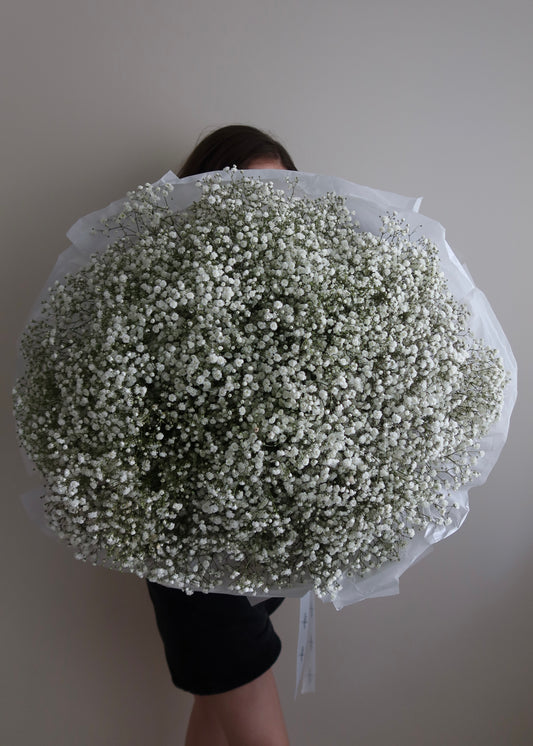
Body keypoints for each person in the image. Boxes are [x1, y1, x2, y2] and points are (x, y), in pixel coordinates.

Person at [146, 125, 296, 746]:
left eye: (284, 197)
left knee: (216, 709)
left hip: (258, 543)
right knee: (248, 704)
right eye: (249, 195)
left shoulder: (299, 299)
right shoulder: (155, 289)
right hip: (187, 546)